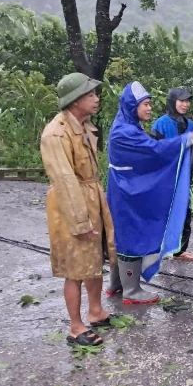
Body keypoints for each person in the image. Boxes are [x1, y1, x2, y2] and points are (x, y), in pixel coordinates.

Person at [107, 82, 193, 304]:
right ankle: (131, 291)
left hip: (129, 188)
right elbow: (155, 150)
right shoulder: (126, 132)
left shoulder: (129, 125)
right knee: (132, 237)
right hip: (128, 191)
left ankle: (118, 284)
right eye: (146, 104)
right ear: (133, 106)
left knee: (126, 236)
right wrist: (189, 138)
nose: (149, 108)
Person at [40, 72, 118, 347]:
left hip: (90, 196)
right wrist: (80, 223)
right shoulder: (56, 133)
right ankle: (75, 327)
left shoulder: (83, 126)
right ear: (75, 100)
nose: (96, 99)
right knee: (74, 268)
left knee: (93, 260)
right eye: (90, 95)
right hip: (70, 205)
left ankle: (95, 311)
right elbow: (64, 182)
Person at [150, 87, 193, 262]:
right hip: (164, 178)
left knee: (184, 212)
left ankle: (179, 250)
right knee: (162, 214)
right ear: (172, 101)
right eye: (181, 101)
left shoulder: (190, 125)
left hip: (183, 179)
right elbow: (153, 151)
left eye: (187, 101)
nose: (185, 104)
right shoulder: (161, 124)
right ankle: (156, 248)